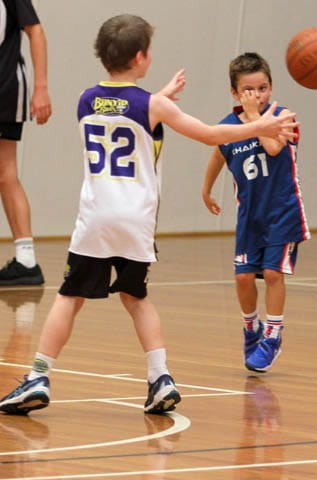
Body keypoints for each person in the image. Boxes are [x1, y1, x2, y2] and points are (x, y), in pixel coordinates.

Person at [0, 14, 298, 416]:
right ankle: (160, 378)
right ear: (142, 57)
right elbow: (209, 134)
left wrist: (159, 97)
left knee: (69, 297)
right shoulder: (153, 105)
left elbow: (121, 108)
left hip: (96, 218)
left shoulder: (86, 98)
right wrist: (260, 125)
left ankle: (39, 375)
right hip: (136, 221)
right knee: (136, 297)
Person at [202, 52, 310, 373]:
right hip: (250, 216)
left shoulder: (283, 117)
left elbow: (273, 147)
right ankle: (251, 328)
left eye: (262, 88)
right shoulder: (227, 127)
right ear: (234, 92)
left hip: (283, 211)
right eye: (248, 90)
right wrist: (206, 189)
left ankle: (273, 335)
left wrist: (253, 117)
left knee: (273, 274)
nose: (257, 96)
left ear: (271, 88)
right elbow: (218, 154)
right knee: (243, 277)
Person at [0, 0, 52, 286]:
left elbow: (36, 31)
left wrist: (41, 88)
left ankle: (26, 260)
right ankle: (27, 262)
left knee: (6, 172)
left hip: (4, 88)